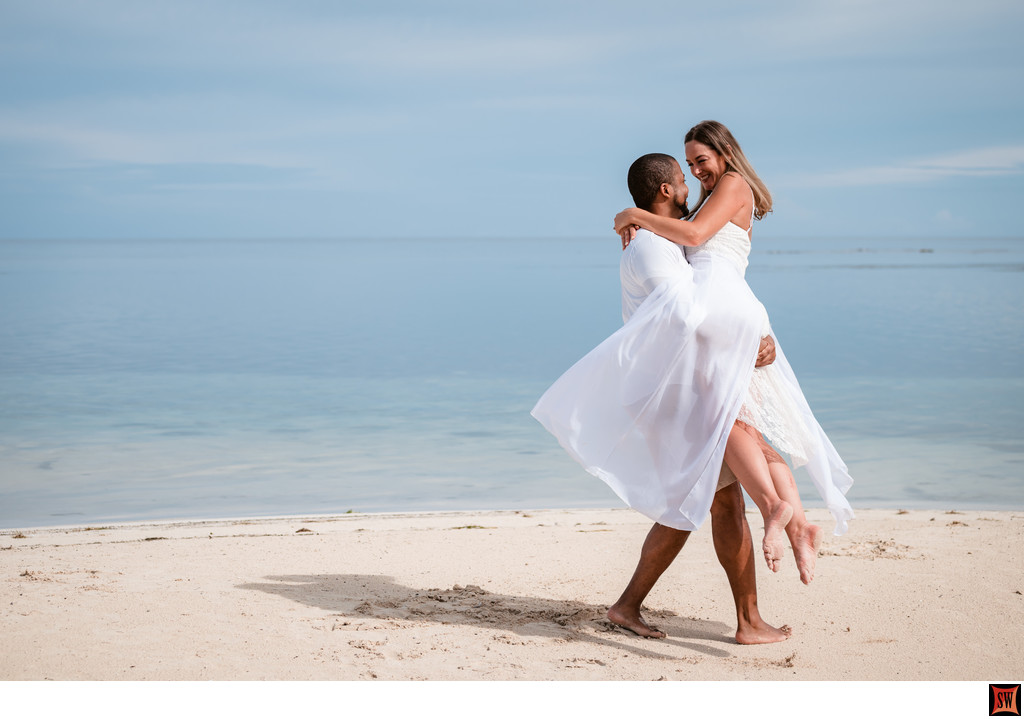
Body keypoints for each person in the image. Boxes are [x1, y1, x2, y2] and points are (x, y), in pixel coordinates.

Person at [611, 121, 854, 583]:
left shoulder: (732, 183)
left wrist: (634, 214)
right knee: (749, 427)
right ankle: (798, 523)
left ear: (724, 153)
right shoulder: (706, 199)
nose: (695, 170)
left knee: (732, 421)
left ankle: (774, 508)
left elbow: (697, 236)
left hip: (720, 311)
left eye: (700, 160)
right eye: (688, 165)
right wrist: (636, 217)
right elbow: (687, 234)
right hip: (726, 310)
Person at [601, 152, 790, 643]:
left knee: (718, 503)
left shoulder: (661, 241)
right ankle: (631, 606)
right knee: (693, 504)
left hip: (687, 388)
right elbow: (684, 318)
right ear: (665, 190)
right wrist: (747, 349)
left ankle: (745, 620)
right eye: (683, 178)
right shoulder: (648, 248)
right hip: (672, 394)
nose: (691, 185)